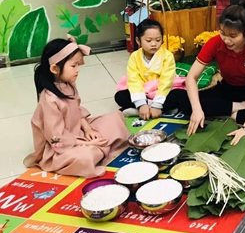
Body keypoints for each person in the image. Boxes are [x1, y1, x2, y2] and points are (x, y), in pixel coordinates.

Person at [181, 0, 245, 145]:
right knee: (185, 102)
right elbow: (191, 77)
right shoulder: (215, 42)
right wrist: (197, 110)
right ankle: (236, 108)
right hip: (228, 89)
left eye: (233, 36)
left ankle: (233, 113)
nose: (226, 40)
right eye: (223, 33)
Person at [24, 39, 129, 177]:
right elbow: (56, 137)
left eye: (78, 65)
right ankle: (98, 150)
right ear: (55, 69)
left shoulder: (68, 84)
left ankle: (99, 148)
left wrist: (88, 129)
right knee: (86, 157)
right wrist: (87, 144)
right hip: (62, 145)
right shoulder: (49, 99)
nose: (77, 70)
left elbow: (77, 110)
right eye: (73, 66)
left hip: (78, 130)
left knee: (115, 118)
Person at [114, 19, 187, 120]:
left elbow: (166, 81)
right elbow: (134, 80)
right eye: (148, 41)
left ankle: (151, 109)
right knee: (120, 96)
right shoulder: (134, 56)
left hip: (162, 91)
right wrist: (141, 104)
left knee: (180, 95)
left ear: (162, 40)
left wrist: (157, 104)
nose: (153, 44)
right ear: (138, 40)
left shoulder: (167, 56)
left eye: (158, 40)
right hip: (143, 91)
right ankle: (151, 109)